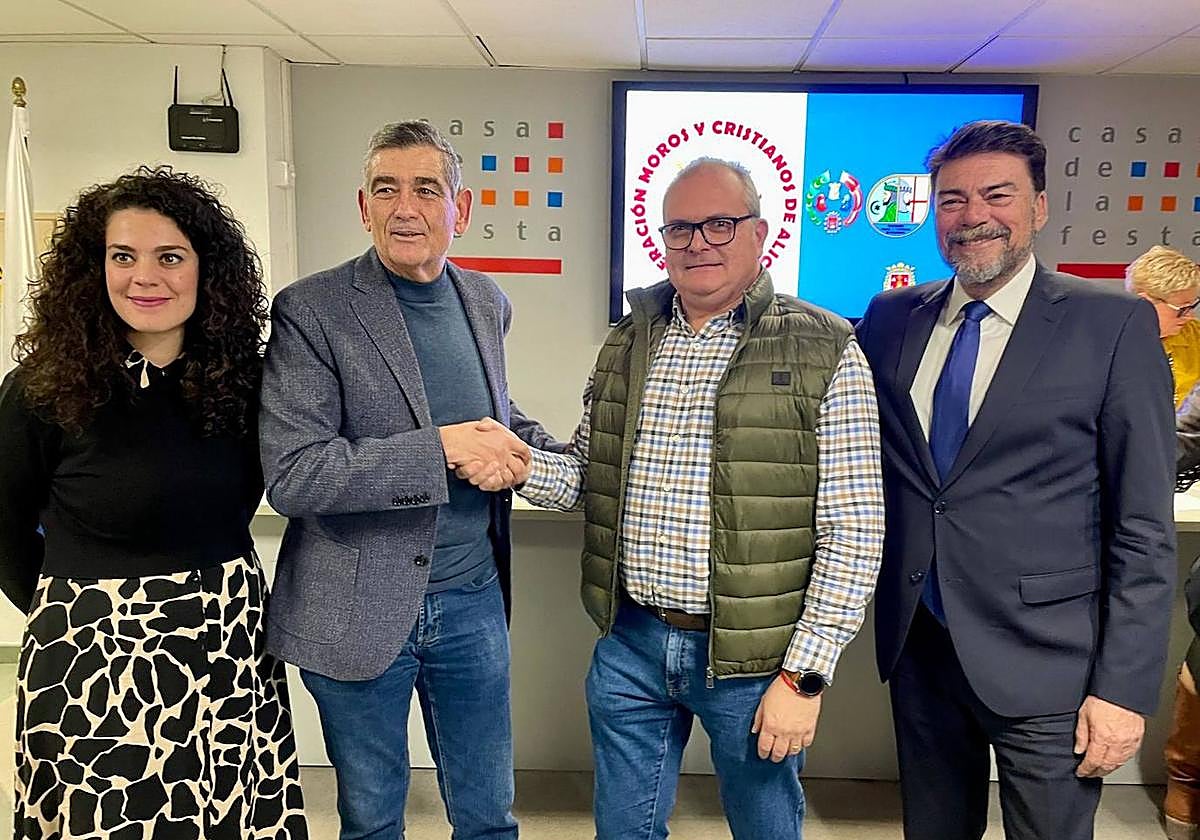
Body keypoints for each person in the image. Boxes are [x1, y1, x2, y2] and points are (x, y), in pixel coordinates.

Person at [488, 156, 884, 840]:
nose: (698, 242)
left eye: (719, 224)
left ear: (760, 233)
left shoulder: (826, 346)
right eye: (680, 228)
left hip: (755, 662)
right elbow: (587, 478)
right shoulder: (628, 340)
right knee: (624, 832)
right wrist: (516, 464)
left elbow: (854, 528)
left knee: (766, 831)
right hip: (631, 644)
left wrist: (805, 677)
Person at [855, 119, 1177, 840]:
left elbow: (1143, 527)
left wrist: (1122, 690)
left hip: (1050, 660)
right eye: (952, 200)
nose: (973, 216)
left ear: (1039, 206)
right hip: (921, 645)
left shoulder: (1112, 324)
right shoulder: (891, 317)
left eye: (996, 195)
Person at [259, 120, 558, 840]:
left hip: (472, 599)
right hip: (355, 607)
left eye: (426, 189)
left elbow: (493, 414)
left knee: (489, 816)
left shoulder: (485, 300)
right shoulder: (312, 309)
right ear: (363, 207)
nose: (405, 208)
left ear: (461, 209)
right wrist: (441, 451)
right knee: (372, 820)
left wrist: (543, 456)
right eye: (385, 189)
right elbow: (296, 474)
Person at [0, 167, 308, 839]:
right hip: (92, 658)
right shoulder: (43, 388)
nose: (145, 277)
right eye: (123, 256)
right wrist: (75, 612)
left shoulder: (250, 384)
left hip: (228, 647)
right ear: (94, 269)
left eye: (169, 257)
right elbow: (3, 527)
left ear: (206, 270)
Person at [1125, 244, 1200, 406]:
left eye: (1193, 306)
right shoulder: (1105, 343)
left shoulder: (1196, 336)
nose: (1190, 316)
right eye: (1182, 309)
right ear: (1145, 303)